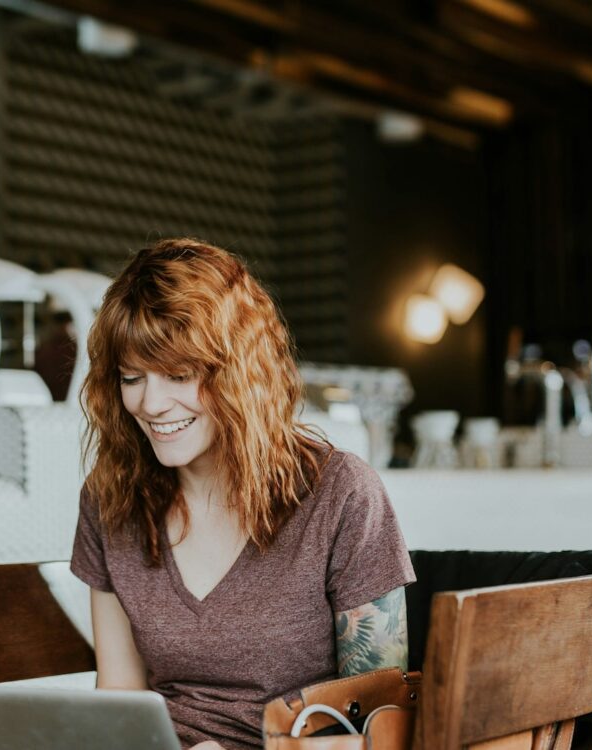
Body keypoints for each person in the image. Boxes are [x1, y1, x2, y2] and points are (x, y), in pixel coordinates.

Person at [70, 238, 415, 750]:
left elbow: (384, 728)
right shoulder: (111, 500)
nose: (151, 403)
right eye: (131, 377)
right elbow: (119, 701)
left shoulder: (340, 494)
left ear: (239, 373)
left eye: (180, 375)